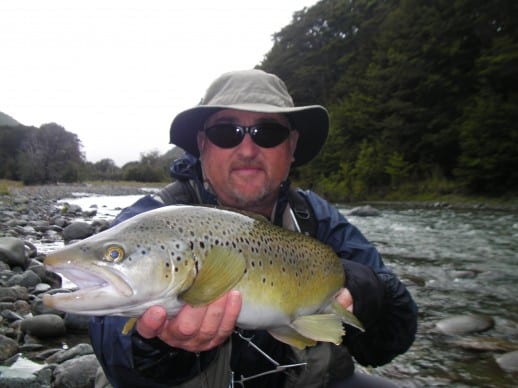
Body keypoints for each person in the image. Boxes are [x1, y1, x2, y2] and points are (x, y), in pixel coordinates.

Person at [89, 69, 418, 388]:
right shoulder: (154, 221)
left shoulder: (316, 218)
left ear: (291, 147)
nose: (247, 150)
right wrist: (157, 348)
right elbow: (110, 342)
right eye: (226, 133)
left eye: (268, 133)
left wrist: (369, 291)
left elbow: (392, 339)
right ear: (202, 145)